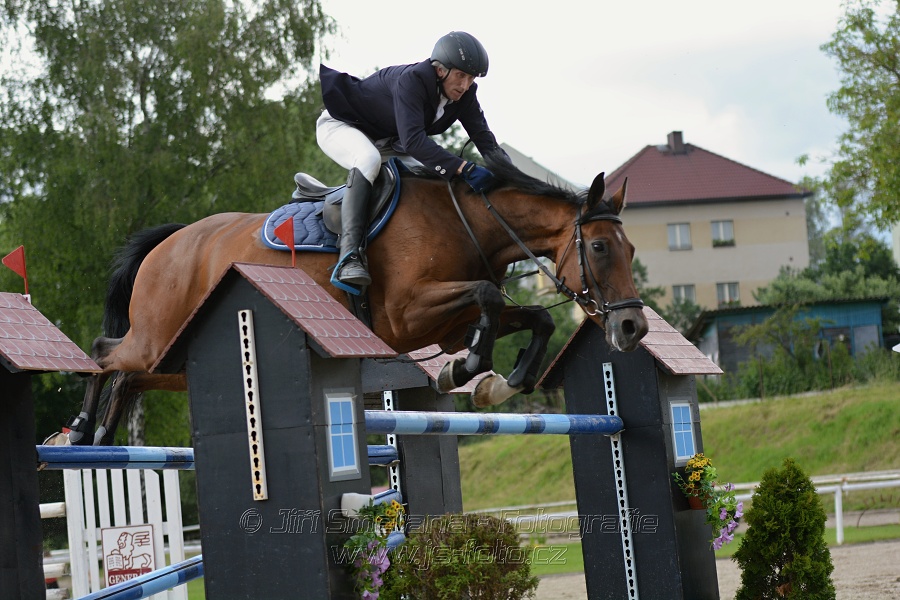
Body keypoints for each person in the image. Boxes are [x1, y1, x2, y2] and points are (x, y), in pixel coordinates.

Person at [317, 31, 508, 293]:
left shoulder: (465, 95)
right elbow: (414, 142)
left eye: (471, 78)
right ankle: (350, 257)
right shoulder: (413, 80)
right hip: (341, 126)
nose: (465, 85)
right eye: (460, 76)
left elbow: (483, 137)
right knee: (368, 160)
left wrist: (510, 176)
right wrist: (464, 168)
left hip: (389, 141)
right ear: (440, 70)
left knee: (430, 176)